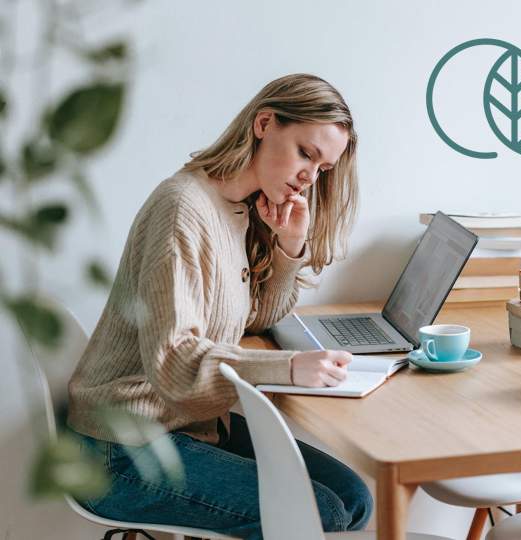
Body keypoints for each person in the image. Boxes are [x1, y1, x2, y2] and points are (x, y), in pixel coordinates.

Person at [67, 73, 373, 539]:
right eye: (306, 154)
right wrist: (289, 367)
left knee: (352, 500)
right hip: (122, 448)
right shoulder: (183, 209)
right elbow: (173, 364)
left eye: (323, 167)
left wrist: (289, 248)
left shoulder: (239, 208)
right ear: (265, 123)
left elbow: (256, 318)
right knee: (318, 514)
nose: (310, 178)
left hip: (188, 427)